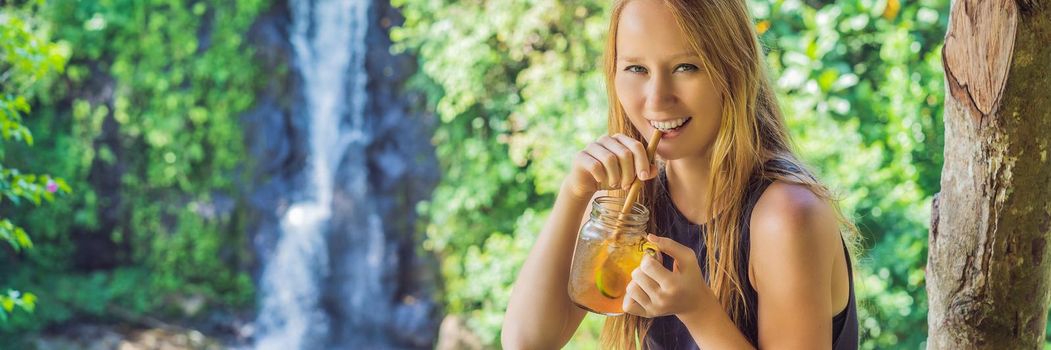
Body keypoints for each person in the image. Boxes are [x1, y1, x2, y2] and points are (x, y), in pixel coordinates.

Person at [502, 0, 861, 349]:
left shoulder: (787, 216)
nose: (657, 99)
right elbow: (526, 341)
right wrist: (574, 192)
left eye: (686, 67)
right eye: (636, 69)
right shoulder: (627, 206)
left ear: (735, 68)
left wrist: (699, 312)